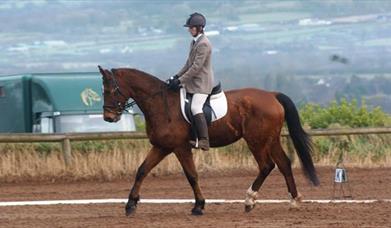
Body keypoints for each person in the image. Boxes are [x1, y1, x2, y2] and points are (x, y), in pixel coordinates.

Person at [168, 12, 214, 151]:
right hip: (193, 82)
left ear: (199, 28)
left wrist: (181, 81)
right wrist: (175, 77)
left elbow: (196, 68)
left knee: (195, 108)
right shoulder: (194, 42)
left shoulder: (204, 44)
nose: (189, 29)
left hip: (202, 83)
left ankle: (204, 141)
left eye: (191, 27)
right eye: (189, 27)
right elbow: (188, 64)